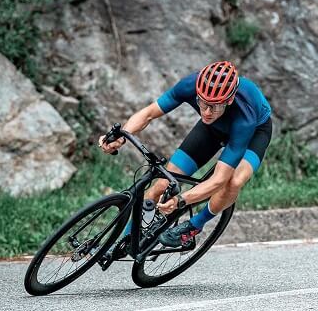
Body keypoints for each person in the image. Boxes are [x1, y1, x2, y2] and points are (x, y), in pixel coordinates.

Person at [98, 60, 273, 252]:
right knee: (161, 185)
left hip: (254, 133)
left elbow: (218, 180)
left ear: (229, 100)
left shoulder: (244, 118)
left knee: (233, 181)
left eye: (213, 106)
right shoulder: (190, 85)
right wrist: (121, 137)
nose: (205, 111)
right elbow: (149, 113)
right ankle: (126, 241)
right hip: (212, 129)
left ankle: (195, 225)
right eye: (202, 103)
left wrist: (180, 201)